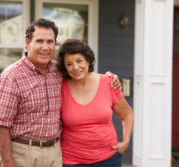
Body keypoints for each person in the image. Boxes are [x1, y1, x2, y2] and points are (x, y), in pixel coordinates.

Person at [0, 18, 121, 167]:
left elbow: (81, 73)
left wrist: (108, 77)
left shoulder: (59, 71)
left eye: (50, 42)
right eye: (39, 41)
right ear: (28, 43)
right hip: (22, 152)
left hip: (54, 153)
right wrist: (7, 163)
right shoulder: (11, 76)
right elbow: (1, 125)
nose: (45, 47)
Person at [57, 39, 134, 167]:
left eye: (79, 61)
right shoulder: (60, 88)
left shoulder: (108, 82)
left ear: (88, 60)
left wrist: (125, 142)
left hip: (109, 159)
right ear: (65, 67)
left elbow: (127, 114)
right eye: (69, 64)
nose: (75, 67)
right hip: (72, 161)